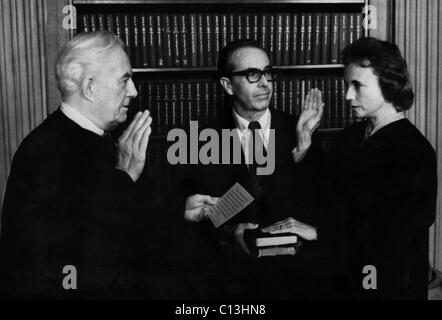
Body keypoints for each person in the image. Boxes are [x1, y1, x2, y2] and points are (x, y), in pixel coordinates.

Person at [0, 31, 153, 298]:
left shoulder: (88, 137)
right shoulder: (49, 150)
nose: (133, 91)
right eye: (125, 80)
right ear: (90, 87)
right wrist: (125, 176)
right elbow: (92, 248)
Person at [181, 39, 334, 299]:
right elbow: (200, 214)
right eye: (252, 74)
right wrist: (232, 230)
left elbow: (318, 210)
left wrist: (300, 153)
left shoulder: (299, 131)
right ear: (227, 85)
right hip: (229, 284)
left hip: (292, 281)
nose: (265, 83)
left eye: (267, 72)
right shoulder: (200, 139)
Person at [327, 37, 437, 299]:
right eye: (346, 85)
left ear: (388, 85)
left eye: (358, 86)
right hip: (346, 277)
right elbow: (326, 196)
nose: (347, 96)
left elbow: (393, 235)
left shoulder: (414, 151)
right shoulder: (349, 137)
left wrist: (323, 232)